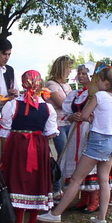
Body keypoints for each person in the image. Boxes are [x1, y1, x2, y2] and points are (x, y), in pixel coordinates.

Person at [38, 66, 112, 223]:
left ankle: (56, 214)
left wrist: (89, 117)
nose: (96, 82)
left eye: (98, 80)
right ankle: (101, 217)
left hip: (98, 140)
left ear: (106, 83)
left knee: (76, 179)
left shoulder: (99, 96)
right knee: (104, 180)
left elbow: (84, 115)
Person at [0, 70, 58, 223]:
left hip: (18, 145)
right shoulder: (47, 107)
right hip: (39, 146)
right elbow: (51, 132)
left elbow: (4, 130)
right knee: (37, 181)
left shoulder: (13, 104)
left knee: (18, 179)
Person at [60, 63, 112, 213]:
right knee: (83, 166)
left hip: (92, 132)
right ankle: (86, 200)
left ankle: (93, 199)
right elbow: (67, 113)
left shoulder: (98, 95)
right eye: (79, 74)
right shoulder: (76, 94)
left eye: (84, 73)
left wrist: (86, 118)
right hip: (79, 131)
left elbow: (89, 115)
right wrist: (73, 117)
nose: (81, 76)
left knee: (89, 168)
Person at [45, 55, 73, 195]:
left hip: (69, 122)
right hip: (59, 124)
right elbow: (62, 103)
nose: (70, 70)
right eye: (68, 67)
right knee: (62, 154)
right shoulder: (51, 85)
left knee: (69, 155)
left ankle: (65, 186)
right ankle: (56, 188)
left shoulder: (66, 85)